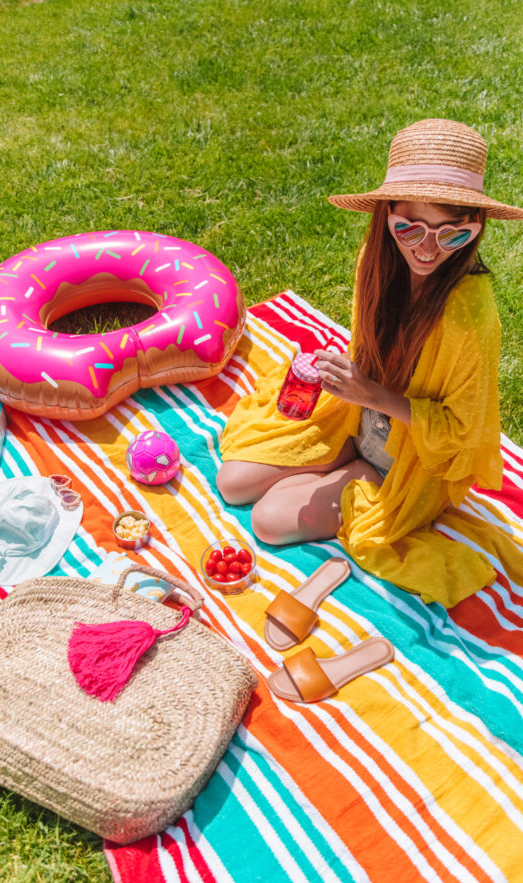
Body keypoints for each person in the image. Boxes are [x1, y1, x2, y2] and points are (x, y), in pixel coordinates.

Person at [217, 119, 523, 607]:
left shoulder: (470, 315)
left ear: (476, 229)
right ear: (386, 218)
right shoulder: (375, 263)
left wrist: (373, 395)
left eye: (452, 236)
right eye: (409, 228)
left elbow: (463, 433)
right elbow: (370, 352)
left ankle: (347, 480)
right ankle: (335, 473)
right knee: (233, 484)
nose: (426, 249)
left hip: (412, 461)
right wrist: (347, 379)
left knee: (268, 521)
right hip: (359, 421)